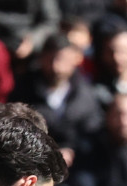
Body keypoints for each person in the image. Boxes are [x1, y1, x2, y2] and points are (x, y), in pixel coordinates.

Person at [10, 35, 104, 166]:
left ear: (75, 59)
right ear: (41, 59)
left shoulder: (85, 94)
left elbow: (92, 132)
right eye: (50, 59)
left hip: (77, 166)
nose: (56, 67)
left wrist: (72, 150)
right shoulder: (23, 91)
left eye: (62, 60)